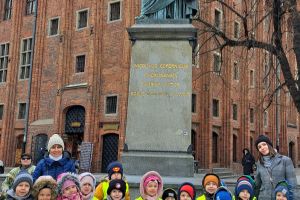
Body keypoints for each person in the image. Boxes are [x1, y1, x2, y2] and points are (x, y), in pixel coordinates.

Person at [254, 135, 297, 200]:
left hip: (281, 197)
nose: (262, 148)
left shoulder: (285, 160)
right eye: (259, 147)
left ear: (269, 145)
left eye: (264, 144)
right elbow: (257, 185)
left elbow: (292, 185)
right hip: (264, 197)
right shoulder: (259, 164)